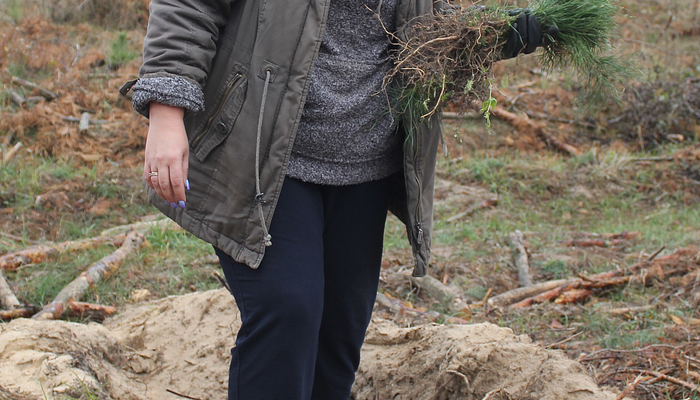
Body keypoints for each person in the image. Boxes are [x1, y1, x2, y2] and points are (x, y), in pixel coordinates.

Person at [121, 0, 552, 398]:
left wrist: (506, 33)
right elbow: (189, 5)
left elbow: (433, 34)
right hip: (264, 161)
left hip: (366, 168)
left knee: (338, 334)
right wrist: (166, 109)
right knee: (288, 310)